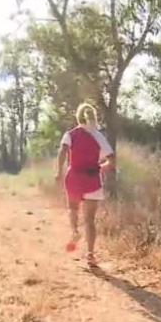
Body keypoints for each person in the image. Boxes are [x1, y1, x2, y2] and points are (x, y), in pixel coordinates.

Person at [55, 102, 115, 266]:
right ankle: (90, 254)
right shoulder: (98, 136)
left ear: (78, 117)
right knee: (90, 220)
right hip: (92, 179)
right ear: (93, 117)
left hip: (74, 177)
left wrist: (59, 171)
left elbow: (63, 151)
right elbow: (111, 160)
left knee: (73, 208)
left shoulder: (70, 134)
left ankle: (75, 231)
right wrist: (100, 168)